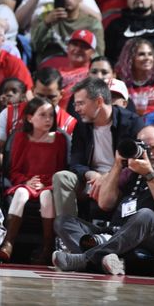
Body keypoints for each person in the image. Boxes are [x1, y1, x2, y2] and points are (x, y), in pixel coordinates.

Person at [53, 125, 154, 275]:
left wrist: (149, 175)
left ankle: (85, 260)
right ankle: (106, 261)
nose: (149, 153)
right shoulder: (131, 172)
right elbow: (105, 203)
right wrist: (118, 165)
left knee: (146, 215)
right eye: (144, 148)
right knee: (64, 221)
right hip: (116, 233)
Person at [52, 77, 144, 219]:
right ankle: (67, 229)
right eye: (75, 104)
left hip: (120, 180)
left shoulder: (131, 122)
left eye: (81, 104)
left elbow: (136, 161)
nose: (76, 109)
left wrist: (108, 177)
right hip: (90, 180)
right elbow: (76, 163)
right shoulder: (81, 125)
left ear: (99, 102)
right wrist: (92, 175)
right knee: (62, 177)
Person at [0, 97, 69, 264]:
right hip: (26, 183)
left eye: (51, 115)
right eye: (42, 115)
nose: (48, 119)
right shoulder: (20, 138)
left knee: (46, 197)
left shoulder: (60, 140)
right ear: (30, 118)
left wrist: (45, 183)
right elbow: (13, 170)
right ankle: (8, 242)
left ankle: (48, 246)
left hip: (49, 184)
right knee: (21, 193)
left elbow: (61, 169)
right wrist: (26, 181)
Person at [30, 0, 105, 65]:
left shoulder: (92, 23)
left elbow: (98, 55)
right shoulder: (46, 17)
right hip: (50, 69)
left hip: (79, 69)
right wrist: (46, 24)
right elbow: (35, 47)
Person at [114, 39, 154, 117]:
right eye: (141, 54)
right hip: (130, 125)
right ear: (130, 58)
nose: (147, 58)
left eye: (150, 54)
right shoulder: (120, 82)